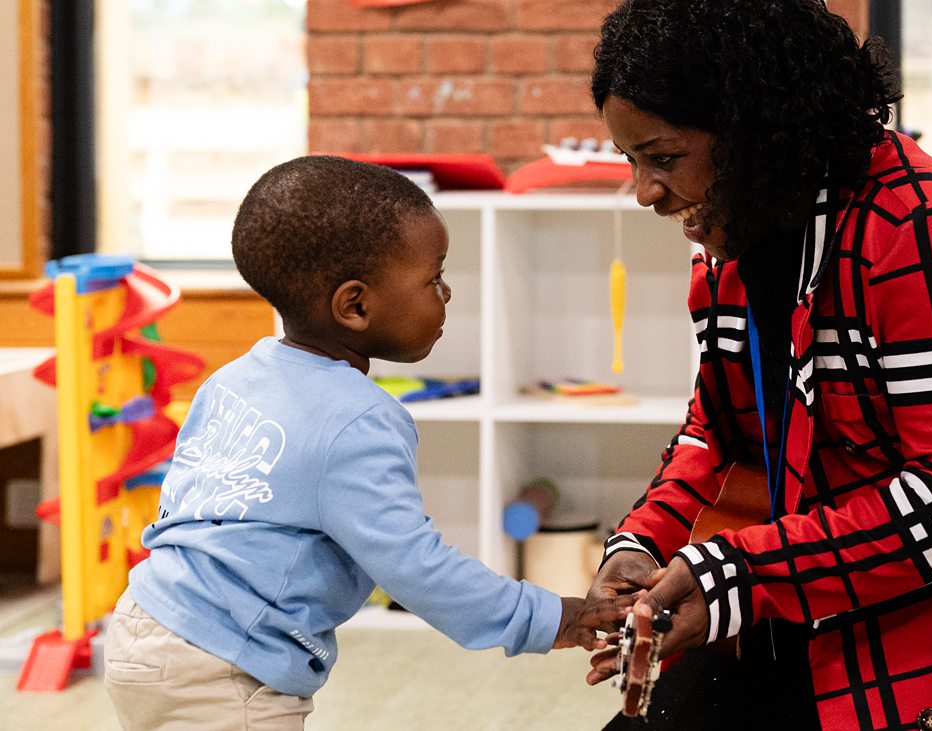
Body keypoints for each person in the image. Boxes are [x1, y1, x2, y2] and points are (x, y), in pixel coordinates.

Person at [582, 1, 932, 730]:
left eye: (662, 158)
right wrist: (643, 541)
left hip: (927, 642)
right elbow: (716, 432)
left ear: (755, 131)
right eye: (632, 163)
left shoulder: (925, 232)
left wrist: (742, 573)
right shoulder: (733, 239)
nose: (646, 193)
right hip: (790, 611)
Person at [103, 155, 634, 730]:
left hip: (145, 621)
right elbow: (415, 567)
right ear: (355, 306)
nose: (447, 294)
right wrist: (549, 615)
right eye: (434, 278)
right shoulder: (359, 420)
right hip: (228, 663)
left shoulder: (231, 378)